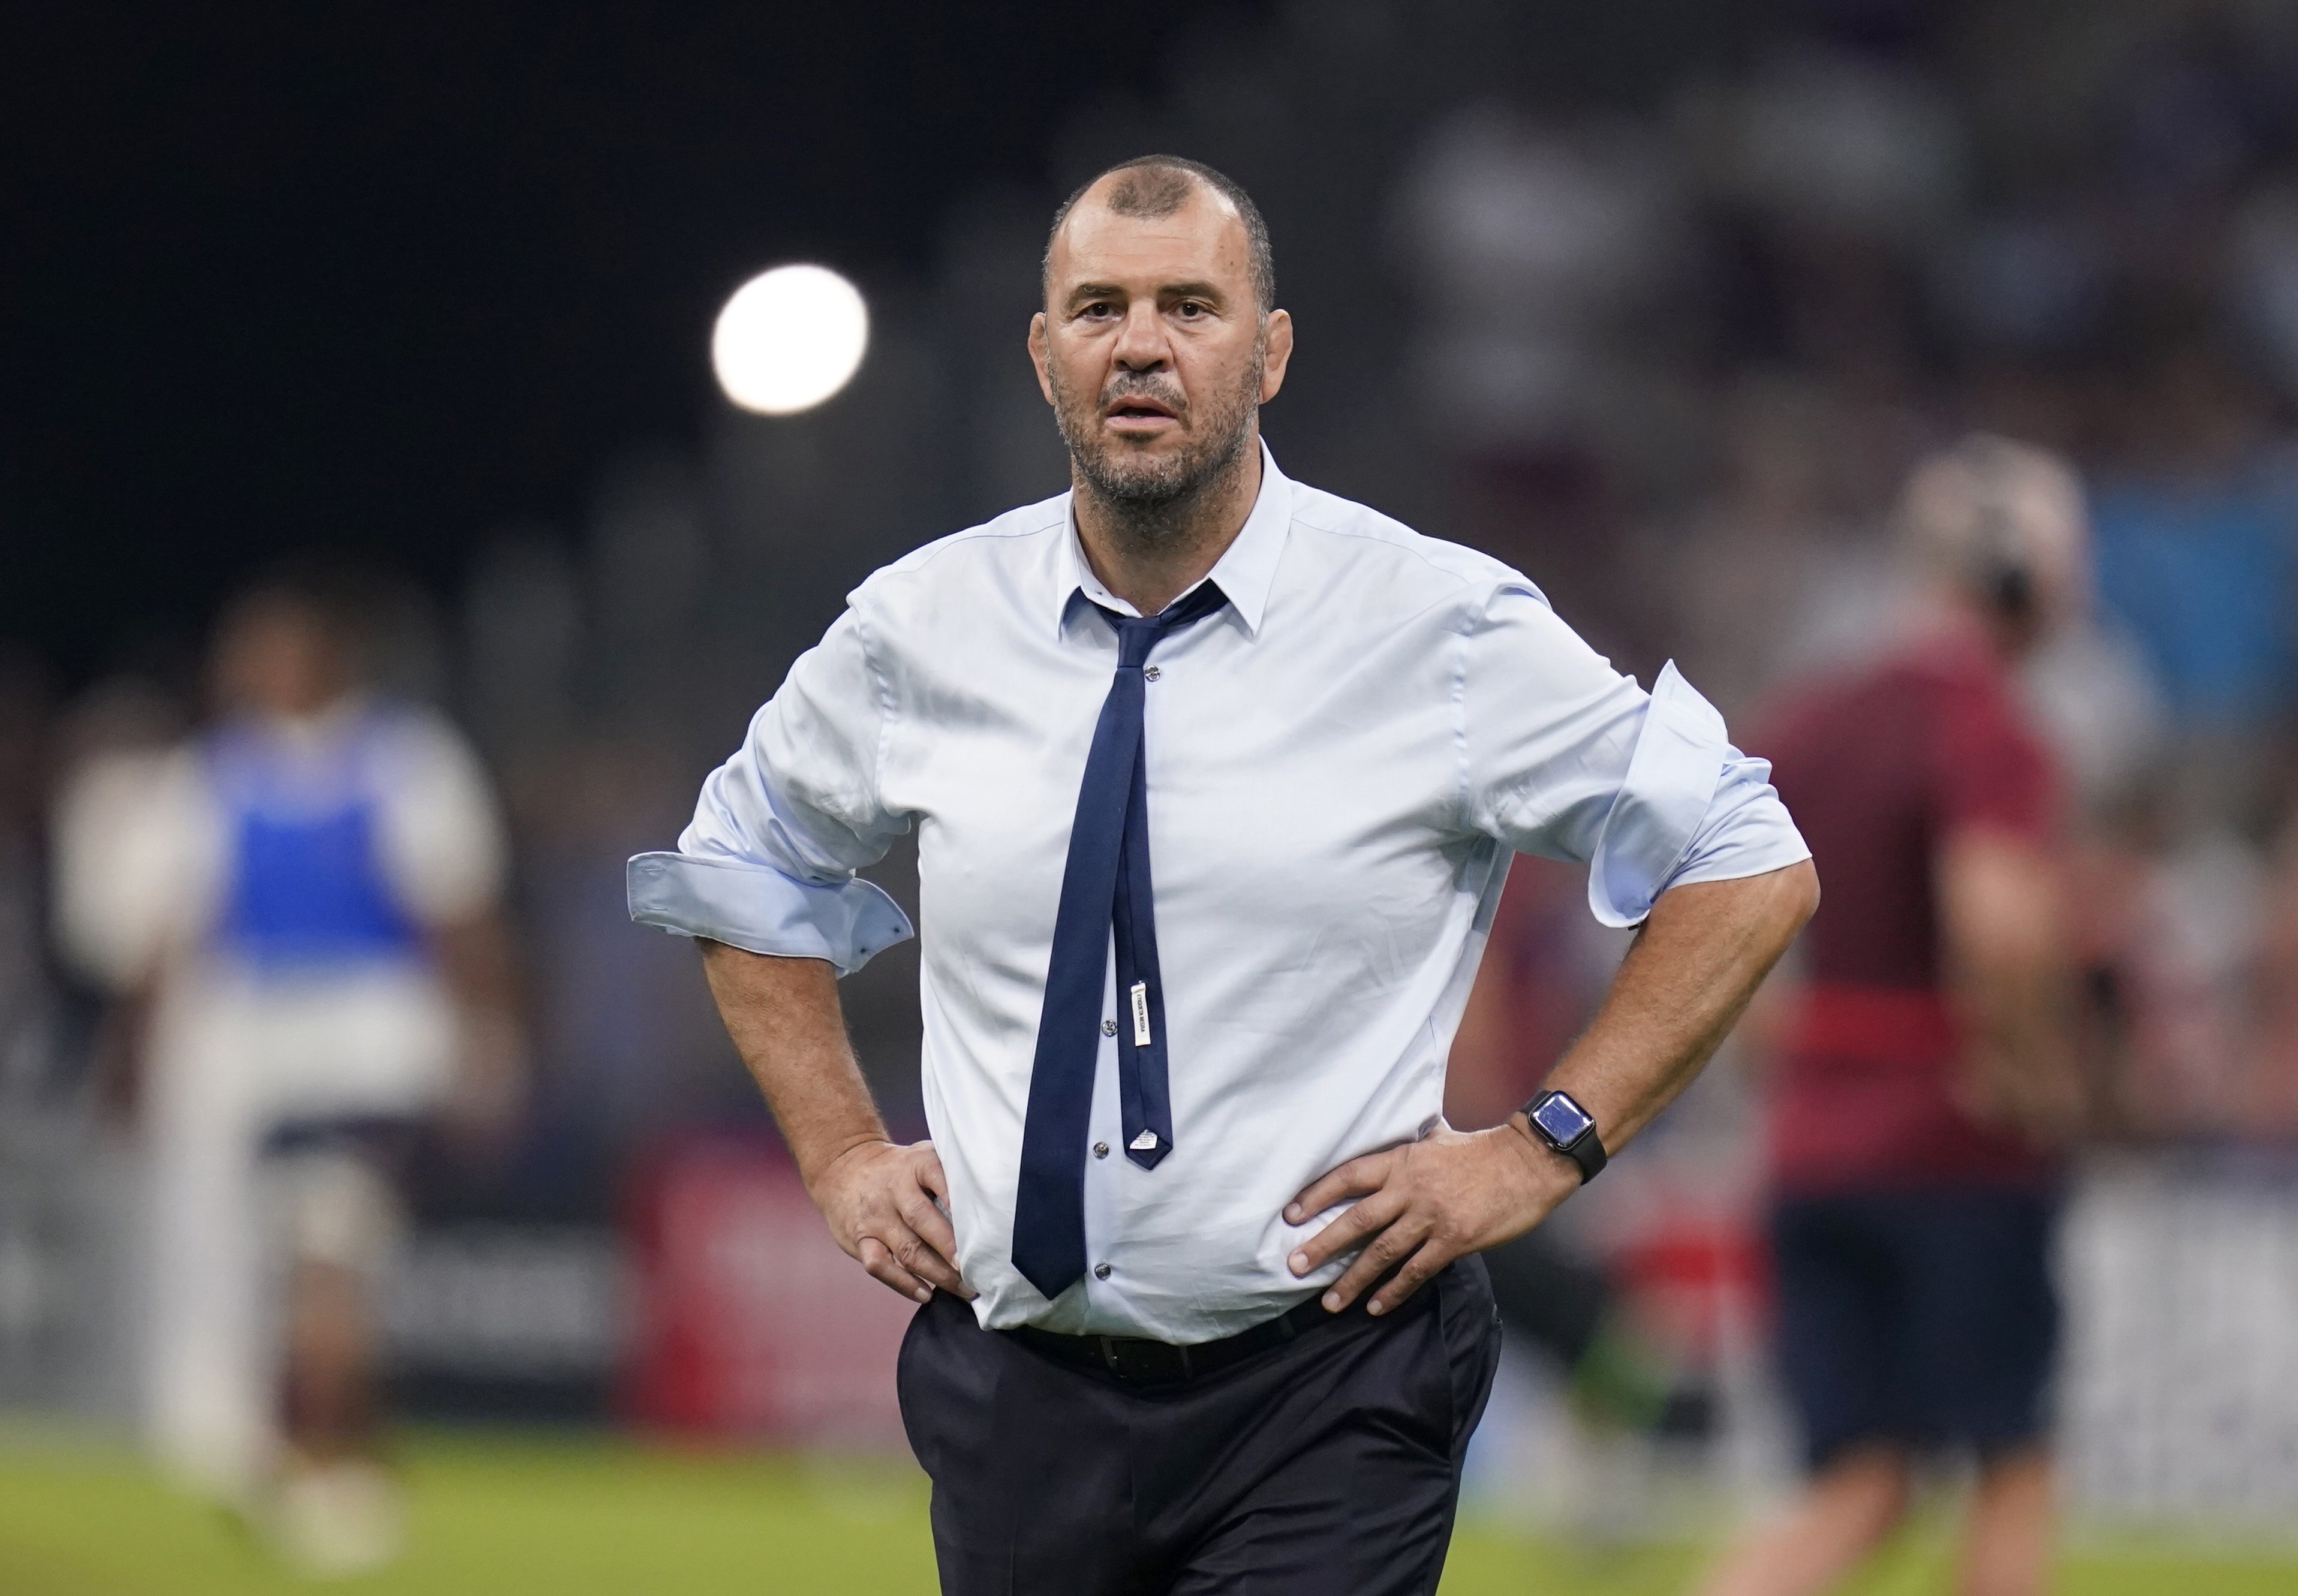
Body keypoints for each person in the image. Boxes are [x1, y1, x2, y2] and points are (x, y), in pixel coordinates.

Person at [629, 155, 1819, 1594]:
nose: (1139, 343)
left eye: (1189, 306)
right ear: (1042, 351)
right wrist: (835, 1152)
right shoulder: (918, 627)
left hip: (1332, 1379)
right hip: (1017, 1391)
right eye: (1098, 308)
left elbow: (1744, 855)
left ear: (1268, 353)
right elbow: (736, 861)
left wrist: (1539, 1140)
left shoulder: (1431, 623)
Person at [53, 568, 521, 1575]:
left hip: (371, 1045)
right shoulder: (215, 777)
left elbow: (459, 915)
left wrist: (489, 1044)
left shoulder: (405, 764)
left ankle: (330, 1456)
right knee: (276, 1264)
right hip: (255, 1051)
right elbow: (166, 935)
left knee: (329, 1248)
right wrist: (133, 1062)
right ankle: (304, 1452)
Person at [1693, 436, 2086, 1596]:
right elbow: (2000, 920)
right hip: (1951, 1146)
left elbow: (1730, 919)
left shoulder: (1812, 715)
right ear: (2026, 575)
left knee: (1860, 1484)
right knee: (2012, 1472)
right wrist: (2025, 1069)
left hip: (1813, 1144)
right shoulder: (1987, 722)